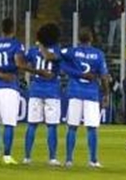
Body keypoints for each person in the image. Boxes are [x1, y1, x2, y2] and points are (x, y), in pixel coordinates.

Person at [43, 27, 109, 168]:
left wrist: (44, 46)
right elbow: (104, 77)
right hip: (91, 94)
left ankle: (68, 160)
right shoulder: (98, 54)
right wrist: (106, 94)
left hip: (75, 92)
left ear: (79, 39)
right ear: (91, 38)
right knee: (92, 128)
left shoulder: (71, 51)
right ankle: (93, 160)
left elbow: (54, 57)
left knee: (72, 127)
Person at [0, 17, 26, 165]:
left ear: (1, 28)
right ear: (13, 29)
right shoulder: (16, 45)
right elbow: (19, 63)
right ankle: (7, 156)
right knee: (9, 123)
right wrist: (13, 73)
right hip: (10, 88)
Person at [23, 23, 63, 166]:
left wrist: (39, 45)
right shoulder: (58, 50)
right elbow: (51, 57)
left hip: (35, 90)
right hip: (52, 91)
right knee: (51, 126)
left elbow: (22, 63)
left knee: (32, 125)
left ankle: (27, 157)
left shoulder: (34, 50)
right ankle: (52, 158)